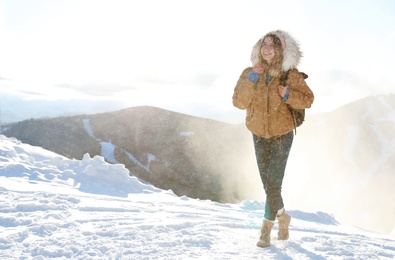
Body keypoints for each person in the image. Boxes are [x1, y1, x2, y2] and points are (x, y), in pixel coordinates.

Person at [232, 30, 314, 247]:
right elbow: (238, 102)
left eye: (272, 45)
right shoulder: (250, 73)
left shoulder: (290, 75)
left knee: (274, 184)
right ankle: (283, 217)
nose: (266, 48)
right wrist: (250, 79)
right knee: (269, 184)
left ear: (281, 50)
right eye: (263, 44)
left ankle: (265, 230)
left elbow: (308, 99)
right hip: (258, 135)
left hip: (281, 136)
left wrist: (288, 94)